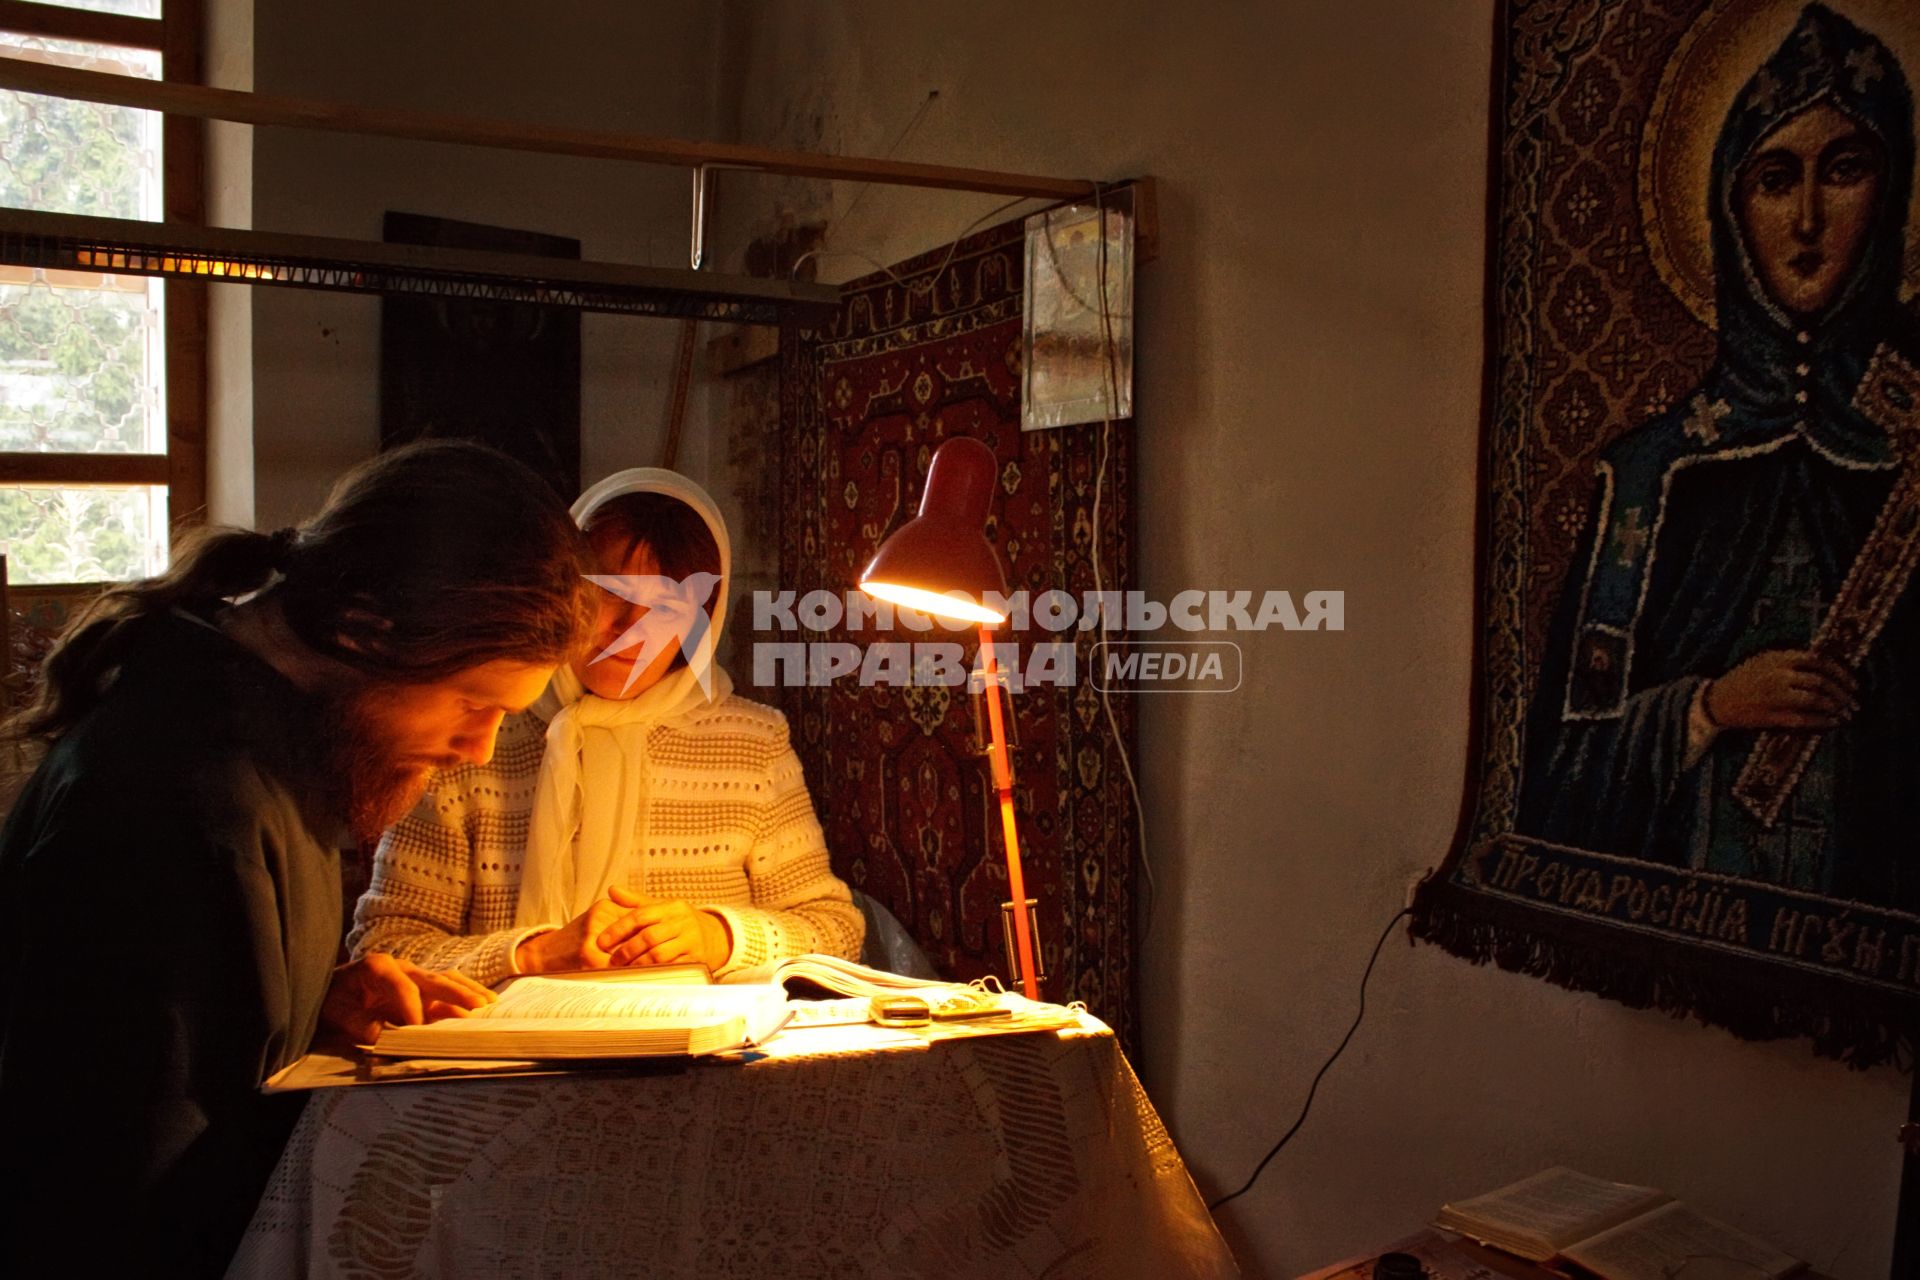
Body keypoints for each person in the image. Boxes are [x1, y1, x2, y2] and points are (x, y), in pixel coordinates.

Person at [0, 440, 600, 1275]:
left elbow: (200, 1034)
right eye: (472, 703)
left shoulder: (271, 746)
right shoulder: (188, 802)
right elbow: (119, 1186)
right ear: (367, 628)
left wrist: (315, 1003)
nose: (479, 748)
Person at [1519, 4, 1920, 908]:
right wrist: (1709, 708)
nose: (1810, 218)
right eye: (1776, 179)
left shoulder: (1907, 452)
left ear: (1892, 194)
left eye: (1845, 171)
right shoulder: (1655, 475)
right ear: (1732, 209)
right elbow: (1562, 763)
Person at [351, 467, 863, 986]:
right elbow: (384, 946)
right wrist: (532, 955)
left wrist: (719, 937)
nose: (630, 631)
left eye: (666, 607)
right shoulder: (476, 728)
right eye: (610, 594)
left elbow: (835, 928)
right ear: (563, 592)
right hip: (510, 1055)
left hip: (695, 1050)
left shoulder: (751, 743)